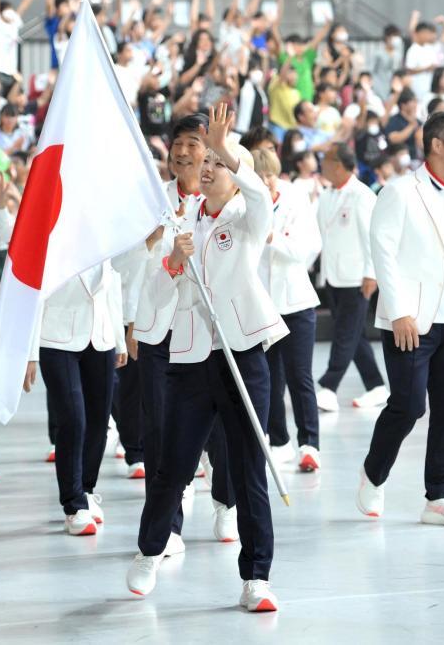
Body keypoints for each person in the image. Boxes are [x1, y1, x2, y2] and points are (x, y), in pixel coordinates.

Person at [127, 104, 286, 612]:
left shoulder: (249, 216)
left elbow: (260, 192)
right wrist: (173, 263)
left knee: (247, 468)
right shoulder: (181, 222)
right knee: (172, 466)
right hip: (191, 359)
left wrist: (228, 147)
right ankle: (150, 550)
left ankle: (256, 576)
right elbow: (152, 297)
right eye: (206, 163)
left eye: (219, 163)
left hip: (242, 355)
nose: (211, 168)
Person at [359, 112, 444, 526]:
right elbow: (382, 251)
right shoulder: (399, 191)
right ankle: (373, 473)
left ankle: (440, 495)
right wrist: (399, 310)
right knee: (408, 405)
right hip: (411, 319)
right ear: (436, 145)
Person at [131, 113, 238, 551]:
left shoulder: (228, 199)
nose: (182, 152)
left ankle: (226, 502)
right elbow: (129, 266)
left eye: (193, 143)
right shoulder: (149, 200)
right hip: (159, 328)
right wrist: (154, 238)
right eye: (177, 143)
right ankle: (168, 526)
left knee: (221, 428)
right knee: (159, 429)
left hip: (210, 329)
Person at [24, 261, 127, 536]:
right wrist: (30, 353)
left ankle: (87, 489)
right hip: (56, 340)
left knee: (98, 421)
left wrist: (119, 338)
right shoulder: (55, 239)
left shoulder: (105, 239)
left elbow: (112, 289)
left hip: (101, 339)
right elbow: (36, 296)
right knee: (72, 420)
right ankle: (73, 505)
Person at [254, 149, 323, 471]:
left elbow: (308, 247)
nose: (265, 181)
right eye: (258, 175)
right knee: (267, 377)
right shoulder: (245, 206)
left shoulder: (296, 201)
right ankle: (277, 440)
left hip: (296, 303)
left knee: (300, 376)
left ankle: (309, 444)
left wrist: (273, 239)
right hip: (261, 307)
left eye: (269, 174)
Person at [315, 143, 389, 412]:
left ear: (338, 164)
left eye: (326, 160)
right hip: (333, 275)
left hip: (358, 277)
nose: (322, 165)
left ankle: (329, 385)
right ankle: (376, 385)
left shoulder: (362, 195)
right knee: (353, 334)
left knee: (345, 334)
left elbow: (373, 238)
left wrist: (372, 273)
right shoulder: (326, 194)